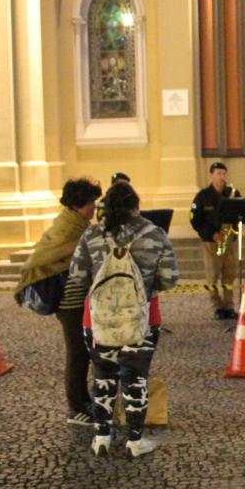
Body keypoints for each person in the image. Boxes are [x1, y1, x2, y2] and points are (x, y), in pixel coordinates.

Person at [69, 182, 179, 458]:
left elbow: (77, 277)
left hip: (96, 322)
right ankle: (134, 440)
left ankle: (102, 438)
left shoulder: (92, 234)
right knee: (135, 378)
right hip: (142, 320)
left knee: (102, 376)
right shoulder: (155, 234)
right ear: (136, 206)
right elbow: (169, 279)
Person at [13, 178, 102, 426]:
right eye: (90, 203)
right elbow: (48, 257)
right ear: (77, 204)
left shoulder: (79, 224)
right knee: (77, 354)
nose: (93, 207)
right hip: (69, 304)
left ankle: (84, 401)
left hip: (80, 302)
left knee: (84, 352)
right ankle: (76, 408)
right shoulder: (69, 227)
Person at [190, 162, 240, 320]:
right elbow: (195, 221)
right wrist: (212, 234)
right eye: (218, 173)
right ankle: (216, 306)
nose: (222, 176)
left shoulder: (232, 193)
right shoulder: (203, 196)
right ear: (211, 175)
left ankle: (229, 305)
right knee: (213, 275)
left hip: (229, 240)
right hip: (211, 241)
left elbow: (240, 212)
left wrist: (234, 233)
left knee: (229, 274)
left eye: (224, 173)